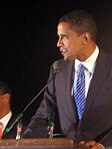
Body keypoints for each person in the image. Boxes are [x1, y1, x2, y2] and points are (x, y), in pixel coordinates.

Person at [23, 10, 112, 148]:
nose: (58, 43)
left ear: (85, 38)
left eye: (64, 37)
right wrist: (23, 143)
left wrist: (103, 145)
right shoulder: (58, 69)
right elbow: (43, 117)